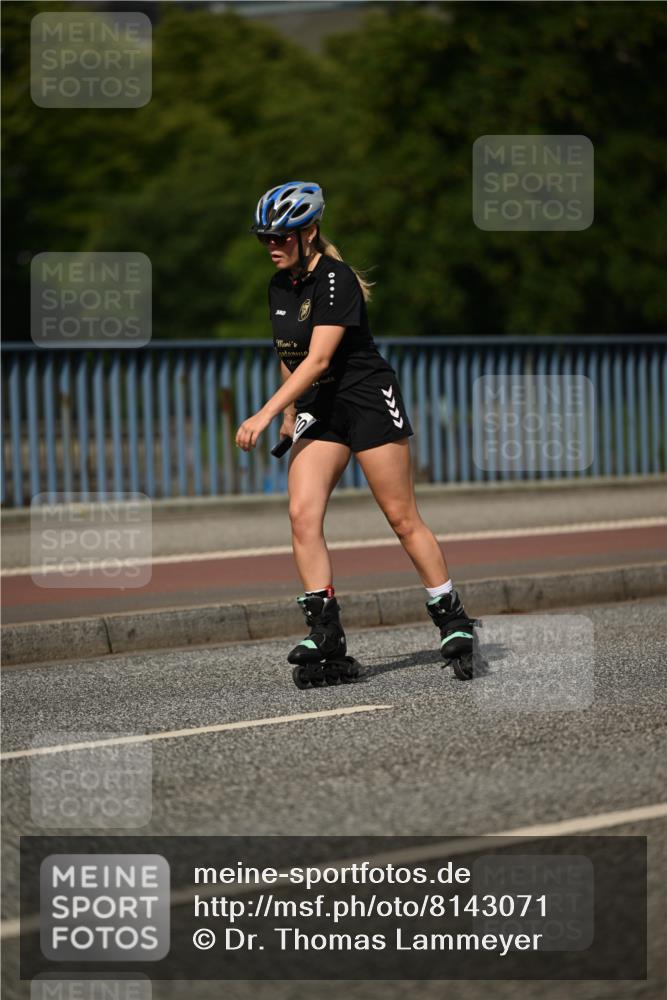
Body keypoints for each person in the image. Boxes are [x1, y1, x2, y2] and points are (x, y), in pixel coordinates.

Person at [236, 181, 476, 680]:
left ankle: (452, 618)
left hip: (367, 397)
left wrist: (262, 413)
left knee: (400, 516)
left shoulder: (335, 280)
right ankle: (325, 632)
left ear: (310, 232)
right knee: (302, 516)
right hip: (321, 405)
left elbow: (322, 356)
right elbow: (293, 356)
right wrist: (287, 412)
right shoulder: (279, 286)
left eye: (282, 236)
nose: (273, 246)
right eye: (265, 238)